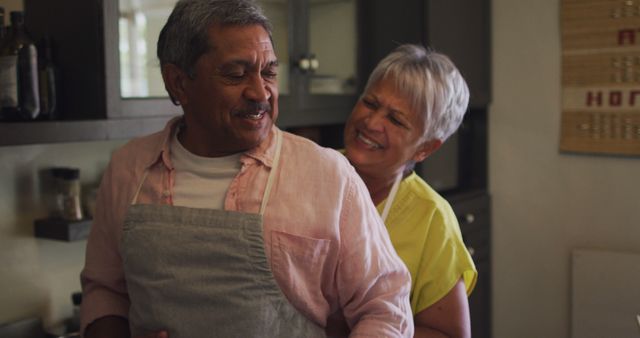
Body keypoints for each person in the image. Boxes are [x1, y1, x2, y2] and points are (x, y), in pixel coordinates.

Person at [79, 1, 413, 337]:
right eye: (236, 74)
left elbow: (384, 307)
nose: (260, 92)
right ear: (178, 82)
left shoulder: (327, 175)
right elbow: (105, 291)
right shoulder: (129, 169)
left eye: (268, 72)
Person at [342, 44, 478, 337]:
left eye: (395, 120)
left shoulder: (432, 219)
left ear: (425, 148)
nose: (372, 122)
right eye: (370, 103)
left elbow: (449, 334)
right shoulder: (308, 170)